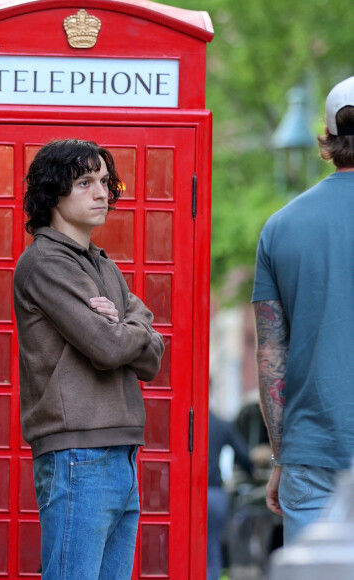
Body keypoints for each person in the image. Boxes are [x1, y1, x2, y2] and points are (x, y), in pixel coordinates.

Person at [13, 139, 164, 580]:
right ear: (53, 193)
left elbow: (152, 358)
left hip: (121, 453)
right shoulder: (44, 263)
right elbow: (107, 348)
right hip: (77, 453)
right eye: (85, 183)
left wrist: (124, 326)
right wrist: (128, 330)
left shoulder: (103, 266)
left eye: (105, 182)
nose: (102, 193)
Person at [252, 76, 354, 544]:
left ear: (329, 140)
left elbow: (271, 353)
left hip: (310, 456)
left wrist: (280, 457)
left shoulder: (280, 226)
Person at [207, 408, 254, 580]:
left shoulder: (183, 420)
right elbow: (244, 455)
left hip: (185, 495)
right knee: (212, 547)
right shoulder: (222, 424)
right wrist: (253, 472)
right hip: (215, 492)